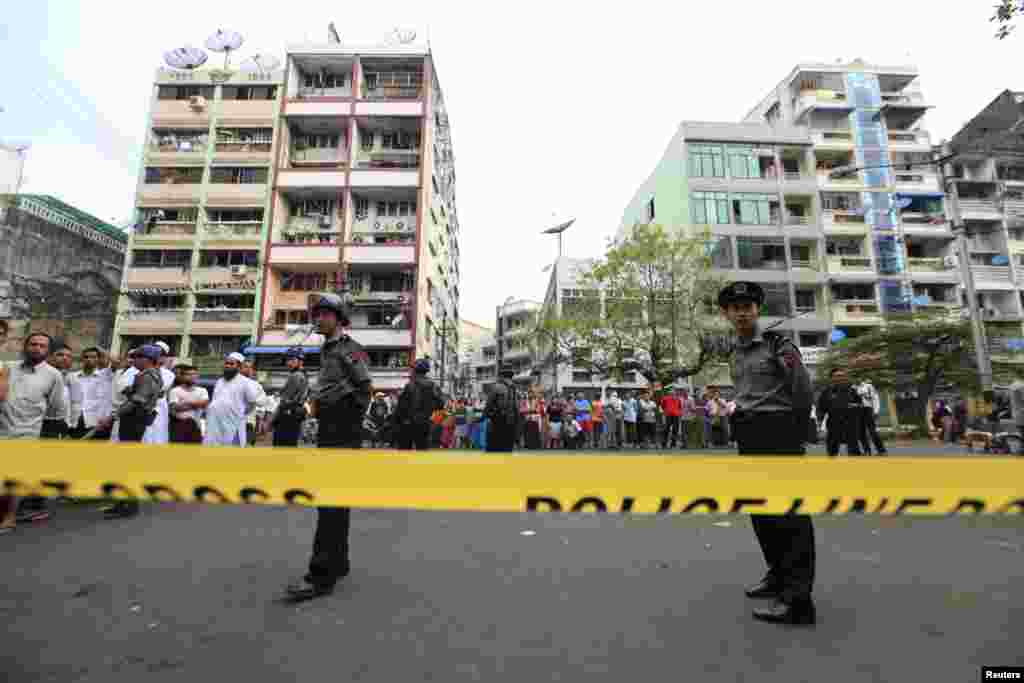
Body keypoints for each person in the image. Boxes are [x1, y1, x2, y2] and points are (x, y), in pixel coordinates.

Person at [718, 281, 816, 626]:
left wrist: (799, 431)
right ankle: (777, 576)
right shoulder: (735, 350)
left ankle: (799, 600)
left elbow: (802, 389)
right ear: (726, 313)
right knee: (762, 514)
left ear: (757, 309)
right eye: (735, 307)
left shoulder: (779, 345)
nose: (742, 311)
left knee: (789, 517)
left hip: (779, 434)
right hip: (750, 433)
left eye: (748, 305)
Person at [287, 293, 371, 601]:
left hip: (341, 429)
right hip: (331, 426)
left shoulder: (350, 349)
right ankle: (338, 563)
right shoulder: (328, 349)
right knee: (334, 502)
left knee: (330, 502)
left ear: (338, 318)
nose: (317, 318)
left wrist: (342, 417)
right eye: (316, 314)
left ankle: (320, 576)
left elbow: (365, 389)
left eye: (323, 314)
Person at [0, 332, 67, 533]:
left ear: (48, 351)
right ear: (25, 346)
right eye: (33, 344)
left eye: (42, 345)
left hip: (26, 433)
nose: (36, 348)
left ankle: (9, 517)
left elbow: (55, 407)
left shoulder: (53, 375)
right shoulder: (8, 368)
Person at [109, 345, 164, 518]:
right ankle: (122, 502)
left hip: (135, 419)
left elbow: (138, 400)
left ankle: (129, 505)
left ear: (148, 359)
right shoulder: (147, 375)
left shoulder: (148, 376)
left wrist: (115, 414)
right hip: (134, 419)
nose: (134, 360)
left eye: (138, 357)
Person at [203, 353, 266, 447]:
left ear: (239, 367)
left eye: (232, 364)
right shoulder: (220, 381)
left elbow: (256, 402)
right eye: (226, 363)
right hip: (214, 424)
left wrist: (241, 412)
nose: (228, 366)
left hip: (233, 425)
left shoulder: (246, 383)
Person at [394, 358, 444, 450]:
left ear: (415, 371)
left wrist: (397, 422)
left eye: (413, 369)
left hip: (408, 424)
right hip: (425, 424)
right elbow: (440, 404)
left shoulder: (410, 386)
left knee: (404, 452)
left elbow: (401, 408)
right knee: (422, 451)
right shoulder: (434, 386)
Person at [68, 347, 114, 440]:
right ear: (82, 359)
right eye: (86, 357)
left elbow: (115, 361)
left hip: (96, 423)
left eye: (93, 357)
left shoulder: (105, 375)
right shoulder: (72, 376)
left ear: (98, 359)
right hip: (75, 421)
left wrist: (100, 350)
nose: (89, 359)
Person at [816, 368, 863, 457]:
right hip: (833, 423)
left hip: (850, 424)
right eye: (838, 376)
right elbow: (821, 408)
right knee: (832, 450)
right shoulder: (827, 391)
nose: (841, 378)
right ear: (832, 378)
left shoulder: (852, 390)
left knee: (854, 449)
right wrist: (819, 423)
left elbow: (860, 404)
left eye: (843, 376)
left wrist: (855, 406)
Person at [270, 348, 309, 447]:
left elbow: (285, 401)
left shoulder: (296, 375)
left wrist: (272, 419)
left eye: (292, 359)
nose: (288, 362)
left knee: (281, 447)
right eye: (287, 360)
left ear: (300, 361)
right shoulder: (303, 374)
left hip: (288, 416)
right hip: (295, 415)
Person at [142, 341, 176, 445]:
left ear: (164, 357)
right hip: (143, 408)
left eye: (161, 354)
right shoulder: (142, 369)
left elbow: (164, 393)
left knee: (159, 437)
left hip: (160, 409)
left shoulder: (169, 375)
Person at [40, 340, 73, 440]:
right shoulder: (41, 376)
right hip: (41, 426)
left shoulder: (70, 379)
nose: (65, 358)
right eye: (60, 354)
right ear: (49, 357)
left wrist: (67, 426)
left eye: (68, 356)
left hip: (61, 428)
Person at [484, 364, 521, 452]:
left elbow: (488, 406)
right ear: (511, 376)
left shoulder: (496, 387)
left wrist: (486, 416)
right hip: (510, 424)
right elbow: (517, 409)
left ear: (501, 375)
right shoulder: (514, 388)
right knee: (507, 449)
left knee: (494, 450)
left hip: (498, 423)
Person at [168, 364, 208, 443]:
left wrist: (185, 402)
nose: (192, 376)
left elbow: (205, 404)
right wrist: (196, 404)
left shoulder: (202, 390)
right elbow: (175, 408)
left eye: (194, 374)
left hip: (196, 426)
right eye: (188, 374)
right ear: (183, 376)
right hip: (179, 426)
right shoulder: (175, 391)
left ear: (197, 376)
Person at [110, 351, 139, 443]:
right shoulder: (118, 372)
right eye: (129, 357)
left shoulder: (138, 374)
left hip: (126, 413)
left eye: (134, 358)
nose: (131, 360)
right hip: (110, 411)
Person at [855, 380, 887, 455]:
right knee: (860, 432)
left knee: (873, 432)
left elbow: (875, 398)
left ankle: (882, 451)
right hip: (857, 410)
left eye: (857, 377)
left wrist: (876, 411)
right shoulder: (852, 387)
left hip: (867, 409)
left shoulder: (868, 386)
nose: (856, 379)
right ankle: (867, 451)